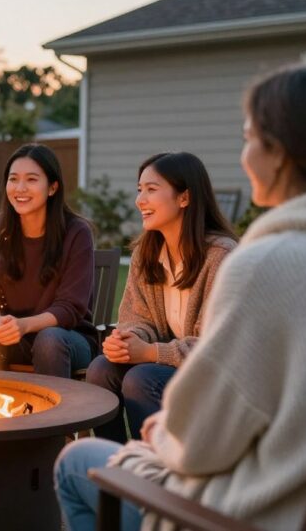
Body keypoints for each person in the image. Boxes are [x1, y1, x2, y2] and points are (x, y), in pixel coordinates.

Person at [55, 61, 306, 531]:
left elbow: (199, 443)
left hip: (257, 515)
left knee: (77, 461)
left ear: (278, 153)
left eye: (248, 139)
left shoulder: (266, 264)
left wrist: (160, 433)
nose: (244, 155)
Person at [87, 152, 237, 442]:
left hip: (218, 376)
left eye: (151, 190)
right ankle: (116, 462)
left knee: (140, 380)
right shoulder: (147, 254)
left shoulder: (221, 257)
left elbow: (216, 347)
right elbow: (135, 318)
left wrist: (151, 353)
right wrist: (128, 340)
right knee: (100, 370)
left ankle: (156, 472)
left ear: (184, 198)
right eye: (139, 190)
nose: (140, 200)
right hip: (169, 366)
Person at [0, 143, 97, 378]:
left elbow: (70, 308)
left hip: (67, 339)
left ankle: (55, 415)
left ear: (52, 187)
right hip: (9, 337)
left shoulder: (76, 232)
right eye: (13, 179)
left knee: (49, 340)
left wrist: (25, 325)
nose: (20, 188)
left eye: (31, 179)